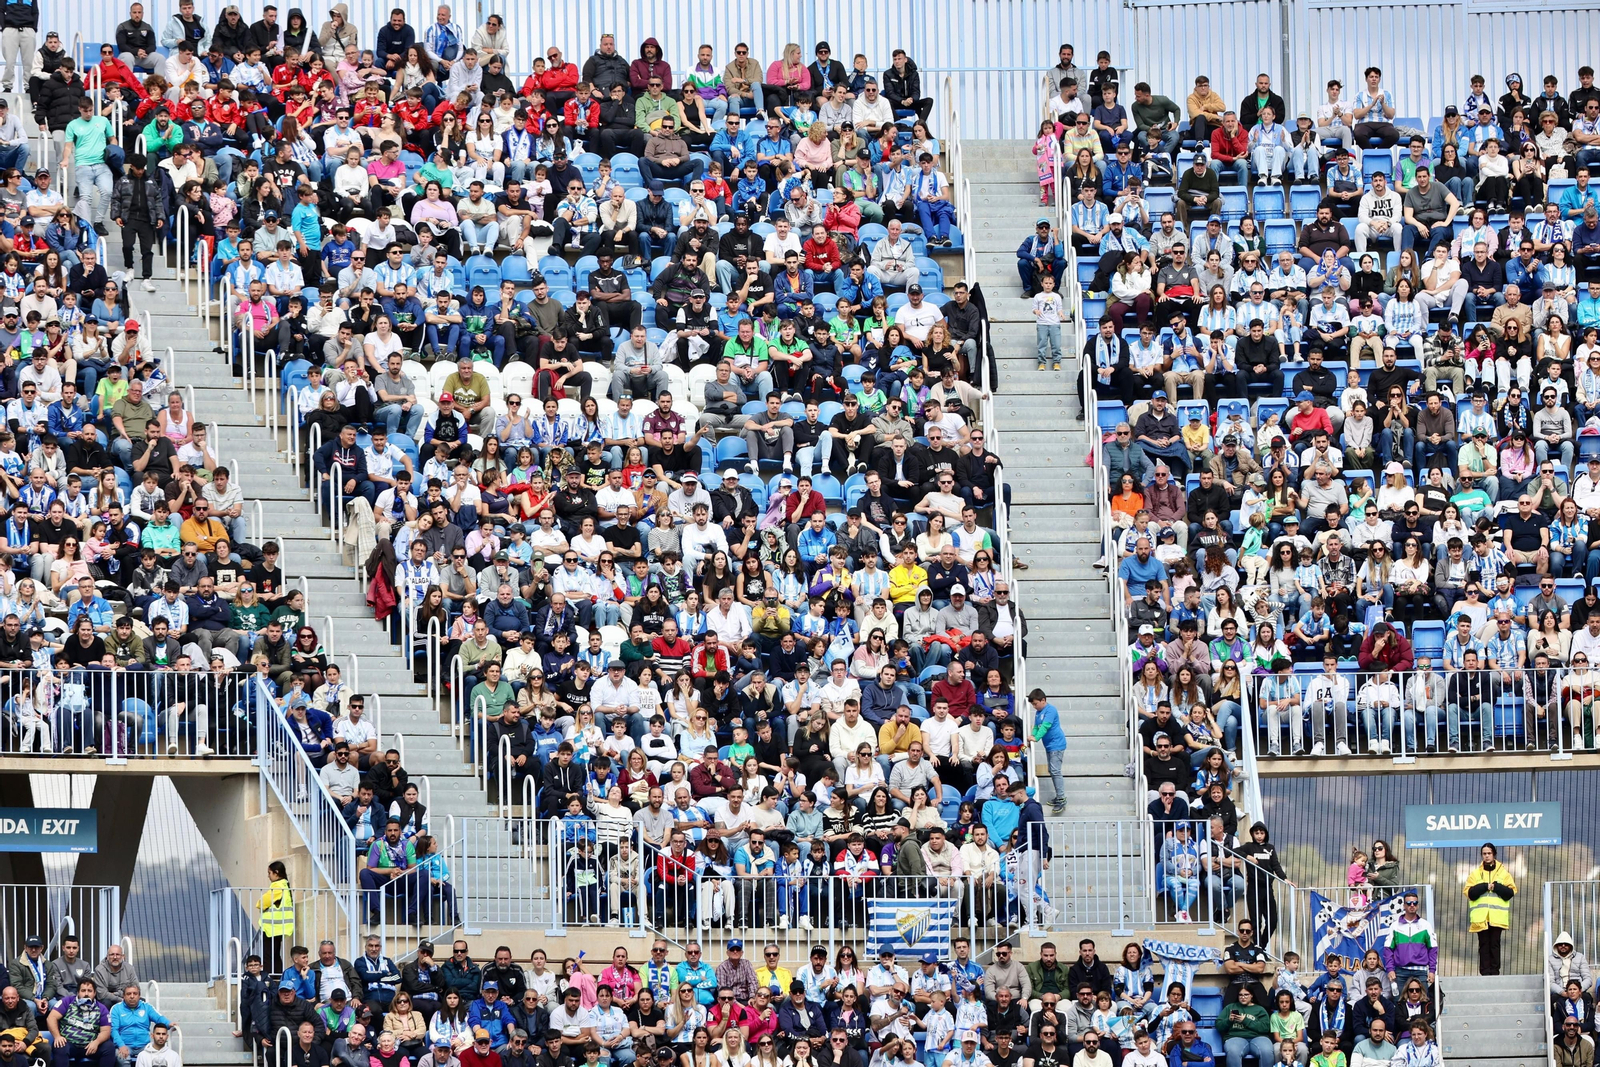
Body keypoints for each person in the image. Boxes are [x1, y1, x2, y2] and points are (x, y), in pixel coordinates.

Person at [1463, 841, 1516, 975]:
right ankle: (1485, 973)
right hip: (1481, 917)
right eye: (1484, 854)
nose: (1486, 856)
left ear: (1494, 855)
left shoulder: (1504, 873)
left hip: (1497, 917)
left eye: (1489, 853)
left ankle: (1495, 972)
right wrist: (1485, 886)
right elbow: (1469, 893)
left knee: (1495, 945)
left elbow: (1510, 892)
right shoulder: (1475, 874)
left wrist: (1496, 886)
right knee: (1483, 945)